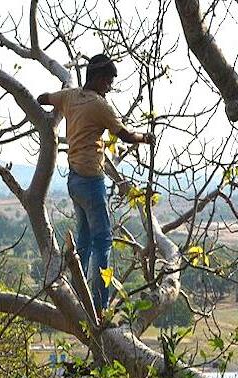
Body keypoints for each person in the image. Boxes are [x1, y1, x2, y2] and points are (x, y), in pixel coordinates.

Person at [37, 54, 153, 320]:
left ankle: (79, 294)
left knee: (84, 240)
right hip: (92, 180)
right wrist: (145, 138)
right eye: (109, 81)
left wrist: (51, 110)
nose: (110, 87)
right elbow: (123, 134)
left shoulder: (69, 96)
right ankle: (99, 305)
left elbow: (43, 98)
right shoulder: (100, 106)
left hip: (74, 180)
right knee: (103, 242)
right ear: (100, 79)